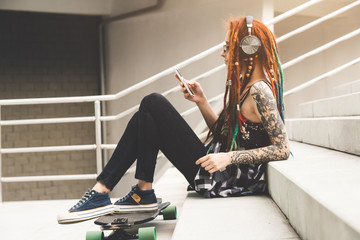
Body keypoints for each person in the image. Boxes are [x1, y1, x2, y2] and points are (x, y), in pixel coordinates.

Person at [57, 16, 290, 224]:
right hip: (218, 171)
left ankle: (122, 191)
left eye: (227, 47)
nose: (223, 53)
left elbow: (282, 149)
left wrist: (228, 158)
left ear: (248, 50)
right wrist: (202, 102)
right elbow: (223, 134)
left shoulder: (260, 90)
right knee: (143, 117)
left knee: (153, 102)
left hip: (226, 179)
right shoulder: (246, 88)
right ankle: (127, 191)